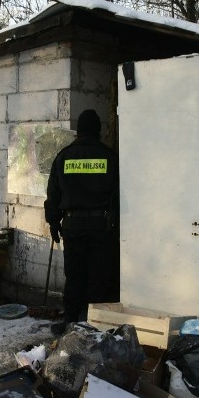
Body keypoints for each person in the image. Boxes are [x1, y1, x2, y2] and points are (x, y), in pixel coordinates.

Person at [44, 109, 120, 334]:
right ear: (98, 131)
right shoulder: (110, 156)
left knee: (74, 275)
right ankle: (95, 325)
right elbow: (118, 194)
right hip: (101, 227)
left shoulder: (63, 156)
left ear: (78, 131)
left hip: (73, 226)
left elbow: (53, 194)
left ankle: (70, 321)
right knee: (99, 276)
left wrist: (53, 222)